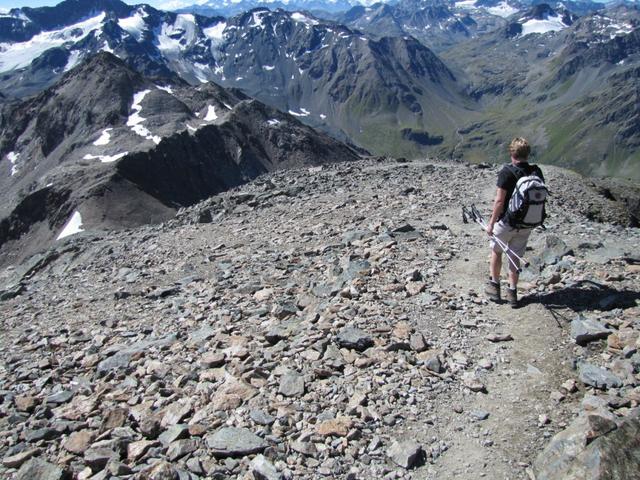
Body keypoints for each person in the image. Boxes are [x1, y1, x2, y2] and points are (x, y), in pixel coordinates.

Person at [485, 137, 545, 307]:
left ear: (512, 153)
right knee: (515, 256)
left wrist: (491, 223)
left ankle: (494, 288)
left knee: (497, 252)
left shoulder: (506, 172)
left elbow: (499, 201)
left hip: (506, 222)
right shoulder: (536, 171)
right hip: (526, 223)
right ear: (528, 154)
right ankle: (512, 293)